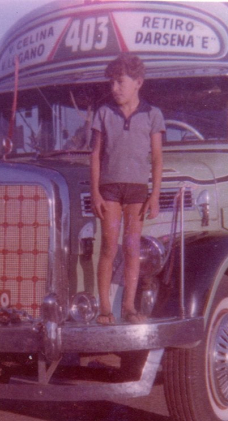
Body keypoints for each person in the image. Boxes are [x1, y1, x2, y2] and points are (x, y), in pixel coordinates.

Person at [90, 53, 165, 325]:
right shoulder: (104, 113)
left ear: (138, 82)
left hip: (137, 191)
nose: (114, 88)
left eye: (120, 82)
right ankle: (104, 309)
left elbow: (157, 158)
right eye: (111, 83)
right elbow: (96, 156)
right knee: (109, 247)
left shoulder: (153, 115)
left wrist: (154, 195)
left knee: (132, 249)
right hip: (109, 189)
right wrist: (95, 193)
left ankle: (130, 307)